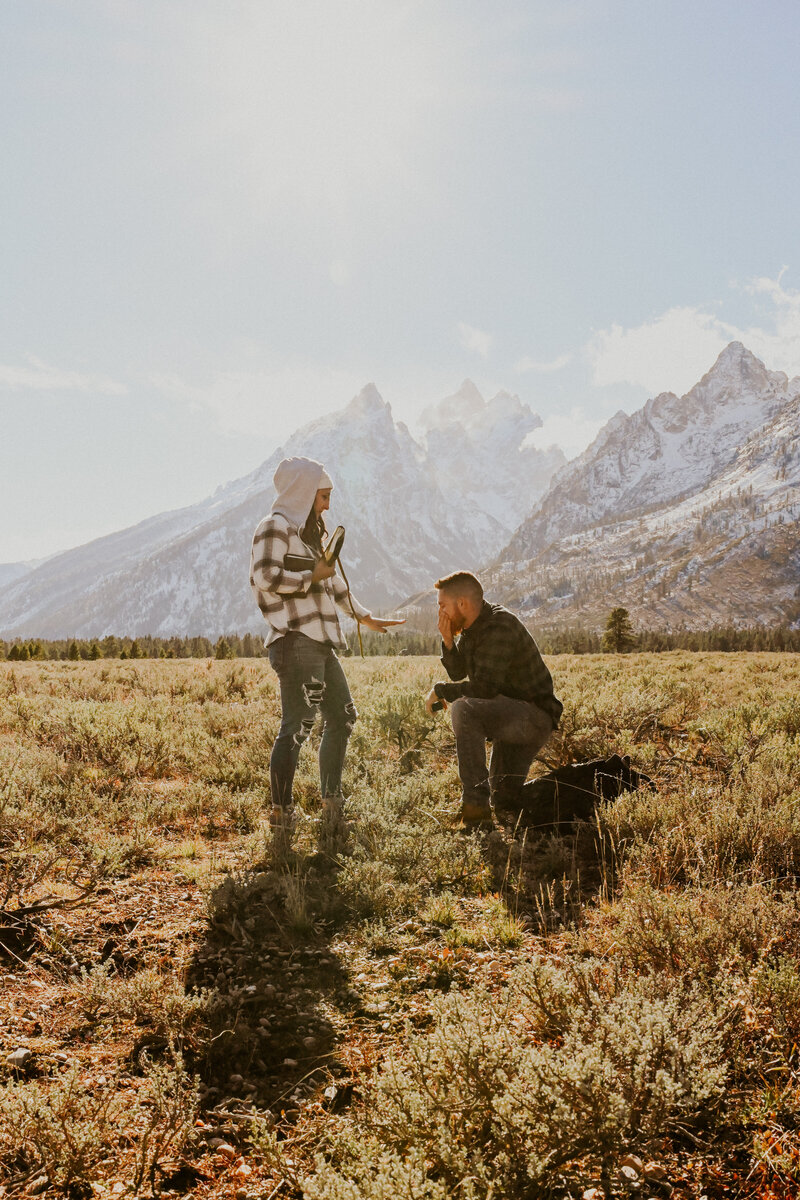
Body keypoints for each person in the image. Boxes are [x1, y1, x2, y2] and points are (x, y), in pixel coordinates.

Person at [251, 456, 402, 839]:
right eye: (323, 496)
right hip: (295, 640)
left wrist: (365, 618)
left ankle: (331, 807)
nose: (327, 505)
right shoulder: (274, 527)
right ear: (303, 491)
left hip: (320, 642)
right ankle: (282, 816)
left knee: (343, 716)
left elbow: (333, 587)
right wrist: (310, 575)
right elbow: (264, 576)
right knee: (298, 726)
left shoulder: (309, 534)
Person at [424, 571, 562, 827]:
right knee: (503, 798)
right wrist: (447, 640)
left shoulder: (499, 626)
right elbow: (458, 672)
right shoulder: (473, 627)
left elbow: (484, 689)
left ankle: (475, 812)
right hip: (512, 718)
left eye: (443, 606)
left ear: (462, 604)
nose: (440, 613)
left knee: (464, 709)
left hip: (532, 718)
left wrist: (441, 691)